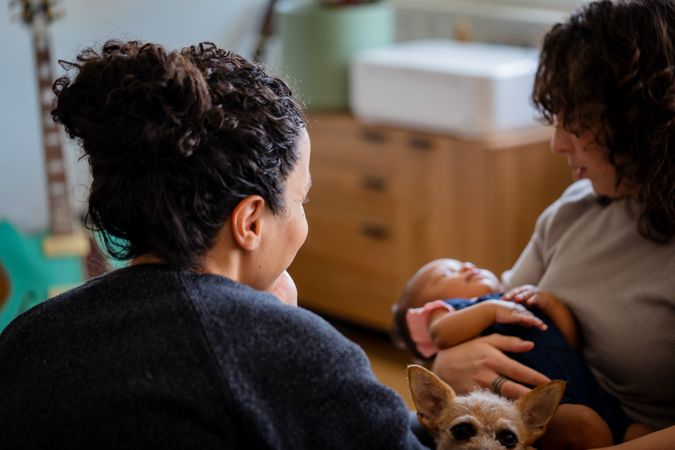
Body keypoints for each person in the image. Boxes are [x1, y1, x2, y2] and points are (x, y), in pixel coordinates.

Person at [0, 41, 426, 449]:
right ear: (250, 221)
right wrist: (283, 335)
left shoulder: (26, 337)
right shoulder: (283, 349)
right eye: (301, 200)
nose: (302, 217)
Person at [430, 1, 675, 448]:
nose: (557, 143)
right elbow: (495, 316)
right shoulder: (576, 208)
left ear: (642, 120)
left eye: (576, 121)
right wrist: (448, 366)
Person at [391, 258, 613, 449]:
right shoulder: (454, 310)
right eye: (446, 274)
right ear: (428, 309)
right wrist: (491, 309)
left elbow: (569, 343)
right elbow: (440, 333)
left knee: (638, 431)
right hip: (562, 403)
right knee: (584, 423)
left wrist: (551, 304)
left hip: (590, 389)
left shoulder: (517, 299)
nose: (468, 266)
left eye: (464, 264)